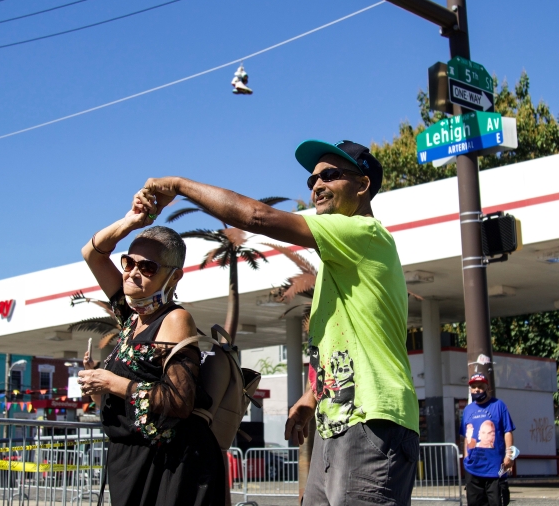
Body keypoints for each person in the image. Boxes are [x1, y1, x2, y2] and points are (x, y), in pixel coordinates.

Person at [138, 139, 420, 506]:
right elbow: (343, 345)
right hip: (337, 425)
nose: (316, 185)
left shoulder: (365, 234)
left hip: (372, 422)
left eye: (330, 175)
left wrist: (177, 185)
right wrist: (310, 396)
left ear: (363, 185)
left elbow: (257, 217)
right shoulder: (342, 268)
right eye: (311, 180)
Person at [77, 202, 224, 506]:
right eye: (128, 263)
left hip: (170, 469)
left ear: (174, 277)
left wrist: (111, 383)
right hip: (131, 463)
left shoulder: (174, 320)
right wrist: (130, 222)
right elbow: (91, 253)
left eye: (147, 267)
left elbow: (179, 402)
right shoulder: (130, 316)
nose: (132, 273)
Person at [460, 373, 516, 506]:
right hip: (473, 469)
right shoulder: (468, 410)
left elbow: (508, 431)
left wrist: (509, 456)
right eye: (473, 387)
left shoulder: (499, 405)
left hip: (495, 469)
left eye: (480, 386)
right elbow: (465, 437)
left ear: (487, 388)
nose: (477, 390)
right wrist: (466, 459)